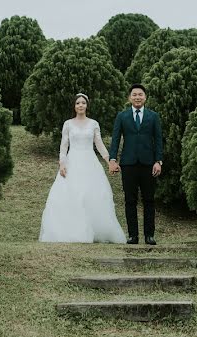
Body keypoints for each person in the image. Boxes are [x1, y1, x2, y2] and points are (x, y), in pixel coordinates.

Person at [38, 93, 125, 243]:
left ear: (87, 105)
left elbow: (99, 144)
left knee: (92, 195)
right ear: (74, 106)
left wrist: (109, 161)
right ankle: (73, 231)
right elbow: (64, 146)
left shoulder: (93, 124)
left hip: (90, 162)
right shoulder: (68, 124)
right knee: (71, 194)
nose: (80, 105)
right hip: (72, 162)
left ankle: (96, 230)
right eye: (77, 103)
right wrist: (62, 163)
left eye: (83, 103)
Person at [109, 84, 163, 245]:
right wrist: (113, 159)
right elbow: (116, 138)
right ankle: (133, 235)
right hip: (128, 163)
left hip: (148, 163)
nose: (137, 97)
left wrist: (158, 161)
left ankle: (149, 235)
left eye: (140, 94)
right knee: (130, 200)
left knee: (149, 200)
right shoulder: (122, 116)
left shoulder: (153, 116)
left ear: (145, 97)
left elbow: (159, 139)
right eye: (134, 95)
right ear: (129, 98)